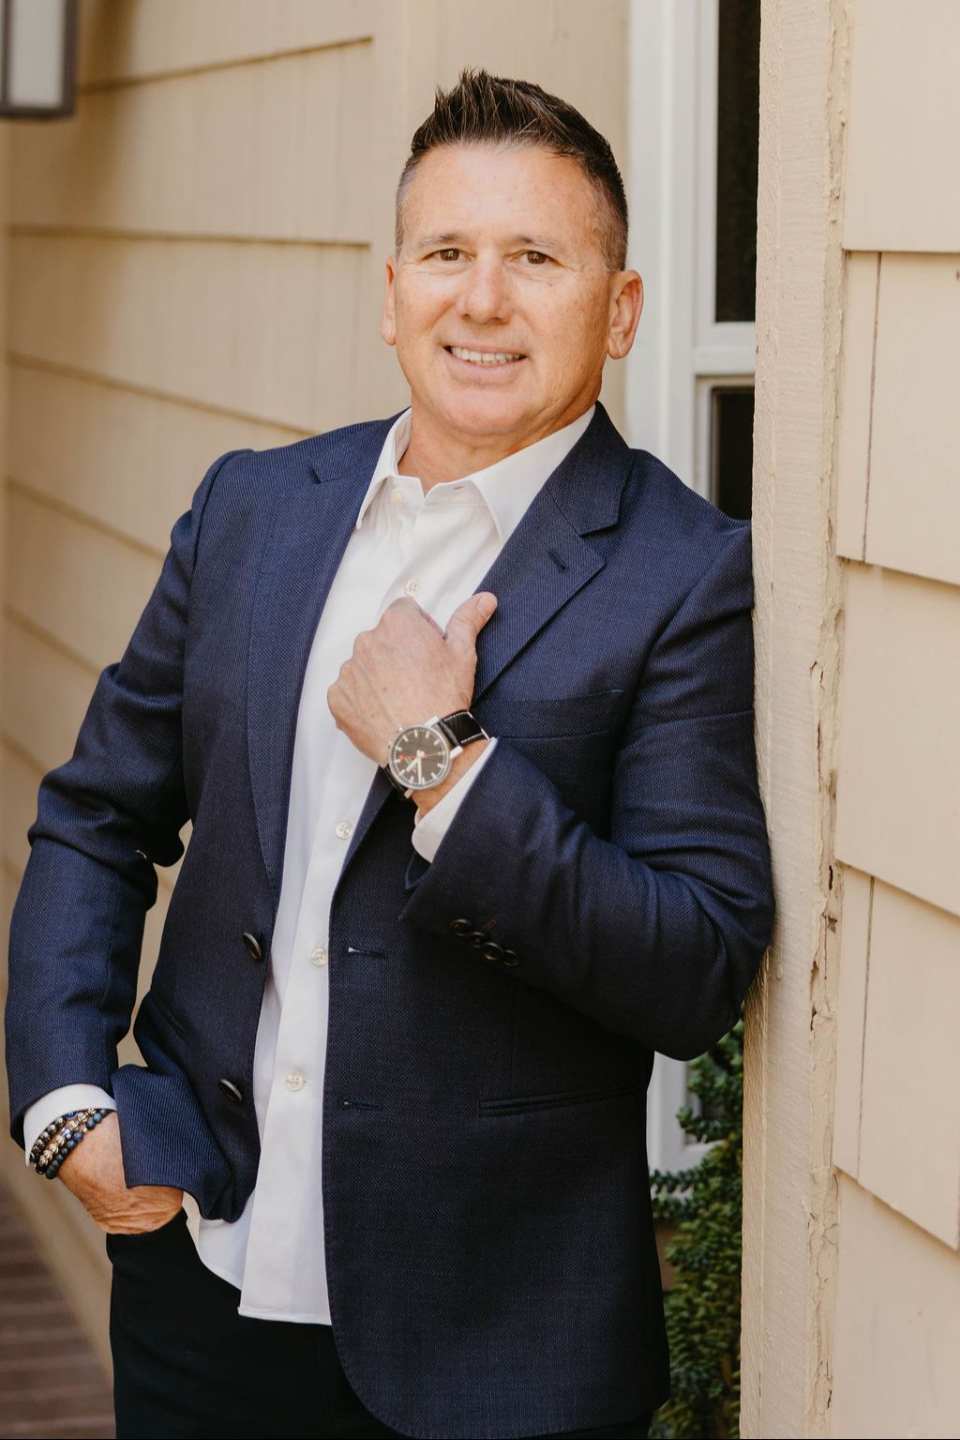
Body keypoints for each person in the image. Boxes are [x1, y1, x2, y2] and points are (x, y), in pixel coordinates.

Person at [4, 69, 775, 1440]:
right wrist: (65, 1099)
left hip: (496, 1345)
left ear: (621, 309)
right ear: (391, 291)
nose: (482, 300)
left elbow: (693, 966)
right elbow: (96, 817)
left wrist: (443, 763)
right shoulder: (253, 509)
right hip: (202, 1271)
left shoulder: (684, 573)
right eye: (446, 253)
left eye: (536, 258)